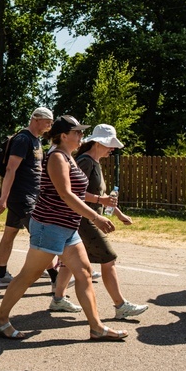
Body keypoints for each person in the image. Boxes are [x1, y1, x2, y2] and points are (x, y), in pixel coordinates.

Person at [0, 115, 129, 340]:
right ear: (63, 136)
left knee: (84, 273)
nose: (81, 136)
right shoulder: (56, 157)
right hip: (50, 226)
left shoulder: (69, 157)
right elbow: (65, 194)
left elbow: (74, 190)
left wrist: (100, 201)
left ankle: (96, 327)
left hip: (67, 227)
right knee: (29, 275)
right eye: (77, 132)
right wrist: (96, 217)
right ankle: (0, 319)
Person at [50, 124, 148, 319]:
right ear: (98, 143)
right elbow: (74, 193)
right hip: (86, 220)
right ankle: (120, 306)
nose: (112, 149)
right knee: (108, 258)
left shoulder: (95, 162)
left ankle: (58, 299)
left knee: (70, 262)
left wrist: (118, 214)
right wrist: (98, 203)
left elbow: (102, 195)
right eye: (109, 144)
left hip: (88, 218)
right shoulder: (85, 162)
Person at [0, 107, 54, 287]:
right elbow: (11, 169)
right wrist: (4, 198)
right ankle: (56, 277)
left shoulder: (36, 140)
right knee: (41, 234)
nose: (50, 125)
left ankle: (1, 275)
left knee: (10, 233)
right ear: (36, 119)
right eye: (47, 121)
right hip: (22, 197)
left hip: (31, 195)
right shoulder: (23, 139)